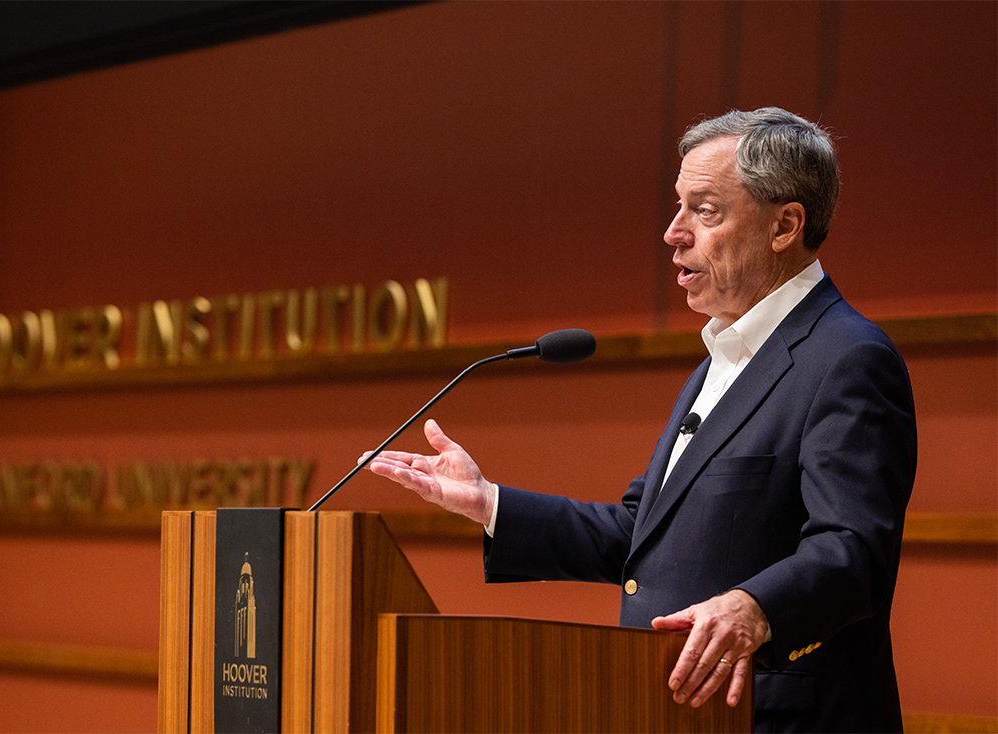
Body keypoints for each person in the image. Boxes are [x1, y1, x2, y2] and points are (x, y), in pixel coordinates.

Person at [365, 107, 917, 733]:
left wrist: (756, 607)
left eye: (704, 210)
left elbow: (854, 549)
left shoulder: (846, 357)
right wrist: (488, 503)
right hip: (676, 714)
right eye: (678, 206)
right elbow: (641, 535)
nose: (672, 232)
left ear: (784, 225)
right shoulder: (722, 360)